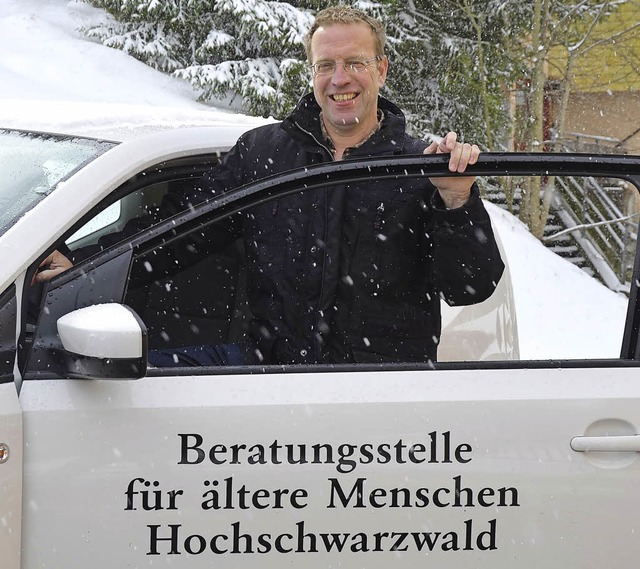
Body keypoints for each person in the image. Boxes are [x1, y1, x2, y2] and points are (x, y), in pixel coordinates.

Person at [37, 6, 504, 366]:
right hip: (267, 374)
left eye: (354, 63)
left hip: (377, 395)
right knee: (108, 387)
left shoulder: (419, 168)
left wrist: (456, 198)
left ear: (381, 70)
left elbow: (471, 288)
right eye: (326, 66)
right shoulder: (264, 154)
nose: (340, 79)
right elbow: (178, 232)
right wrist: (85, 266)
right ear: (312, 72)